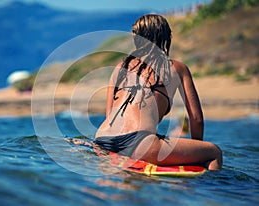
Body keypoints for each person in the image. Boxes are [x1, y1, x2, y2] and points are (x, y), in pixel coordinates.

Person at [94, 14, 222, 170]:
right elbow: (196, 119)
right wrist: (198, 150)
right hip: (138, 143)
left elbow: (110, 115)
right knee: (214, 152)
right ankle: (210, 191)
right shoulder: (177, 68)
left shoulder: (120, 67)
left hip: (103, 138)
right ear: (165, 37)